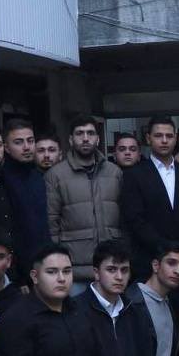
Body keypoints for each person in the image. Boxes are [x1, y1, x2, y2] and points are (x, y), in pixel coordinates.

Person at [46, 115, 123, 289]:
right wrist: (57, 262)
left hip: (111, 265)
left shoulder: (114, 173)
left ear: (98, 139)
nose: (86, 138)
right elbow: (52, 222)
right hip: (74, 269)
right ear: (71, 140)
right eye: (80, 133)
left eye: (90, 133)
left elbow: (124, 219)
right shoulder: (56, 175)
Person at [121, 115, 179, 278]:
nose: (164, 141)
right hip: (149, 259)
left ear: (176, 138)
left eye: (169, 136)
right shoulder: (134, 175)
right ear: (148, 138)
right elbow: (135, 219)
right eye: (158, 136)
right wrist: (166, 246)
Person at [1, 118, 51, 277]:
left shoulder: (38, 177)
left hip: (43, 263)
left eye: (30, 141)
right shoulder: (1, 179)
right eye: (18, 142)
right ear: (6, 148)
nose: (26, 147)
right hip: (15, 268)